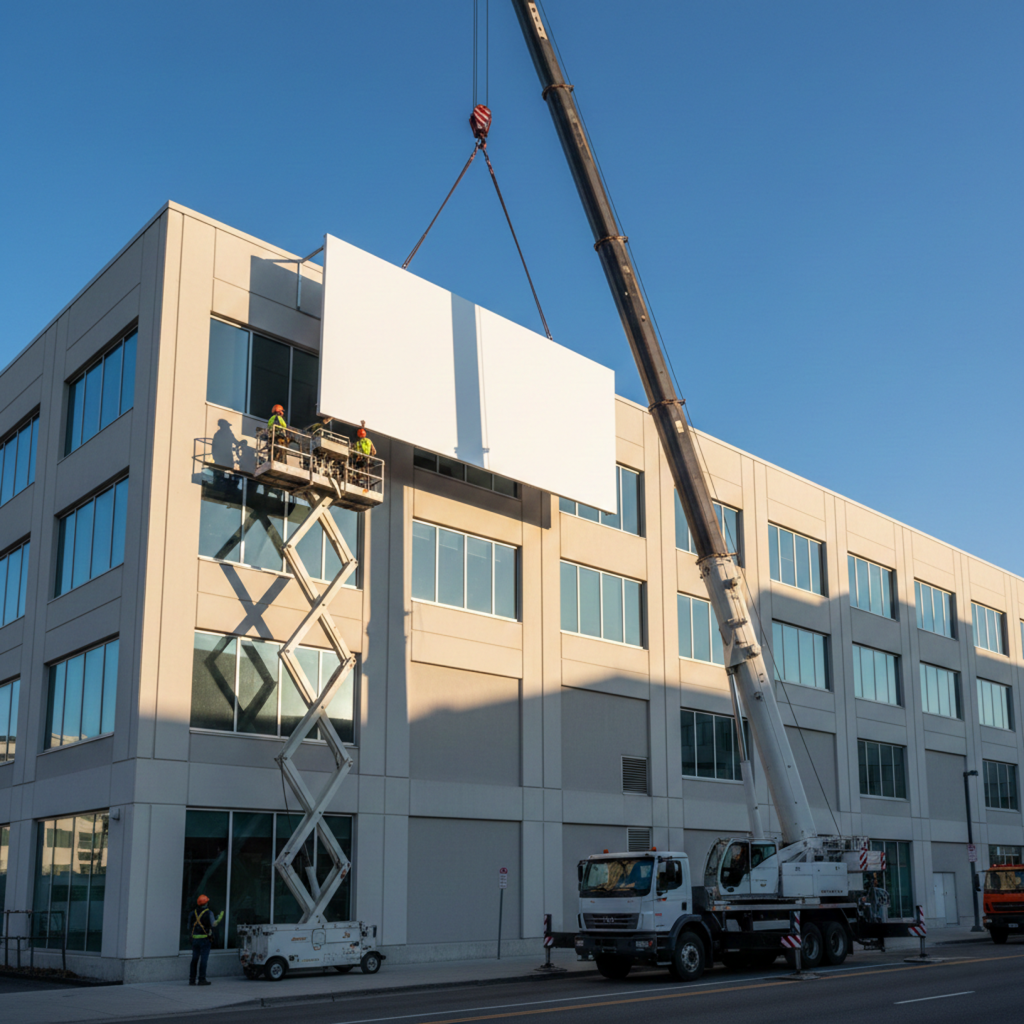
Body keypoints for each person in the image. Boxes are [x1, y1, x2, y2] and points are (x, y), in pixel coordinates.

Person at [188, 894, 223, 985]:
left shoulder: (193, 913)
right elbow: (213, 924)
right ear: (206, 902)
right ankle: (201, 979)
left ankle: (192, 980)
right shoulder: (209, 912)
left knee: (194, 959)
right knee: (203, 960)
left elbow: (189, 926)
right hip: (205, 939)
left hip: (195, 939)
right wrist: (219, 918)